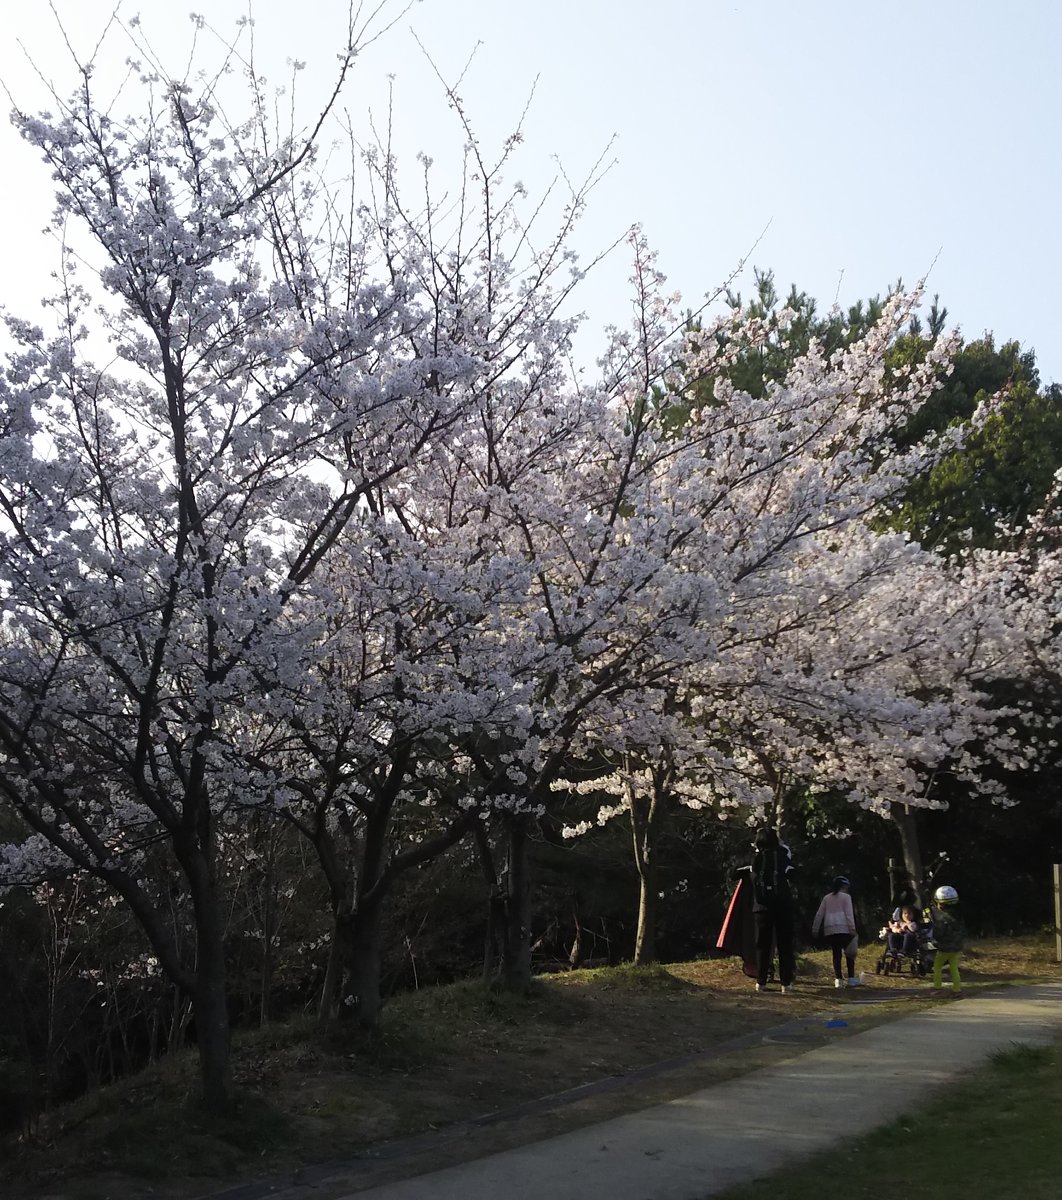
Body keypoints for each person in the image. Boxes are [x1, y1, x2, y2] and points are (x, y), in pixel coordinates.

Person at [748, 827, 796, 994]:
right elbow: (794, 874)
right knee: (785, 944)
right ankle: (786, 982)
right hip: (783, 905)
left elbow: (738, 873)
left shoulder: (755, 857)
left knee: (762, 945)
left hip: (761, 907)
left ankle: (761, 981)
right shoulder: (783, 855)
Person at [812, 875, 861, 988]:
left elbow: (819, 914)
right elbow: (849, 914)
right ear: (844, 886)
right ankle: (851, 978)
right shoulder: (846, 897)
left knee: (836, 954)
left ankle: (838, 979)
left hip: (830, 929)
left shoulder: (826, 898)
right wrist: (852, 928)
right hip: (844, 928)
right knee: (849, 954)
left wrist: (815, 928)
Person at [930, 885, 966, 992]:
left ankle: (937, 987)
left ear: (941, 904)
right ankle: (956, 989)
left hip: (944, 948)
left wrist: (934, 941)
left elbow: (938, 934)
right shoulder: (958, 916)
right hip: (957, 947)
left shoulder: (942, 919)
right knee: (954, 968)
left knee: (936, 967)